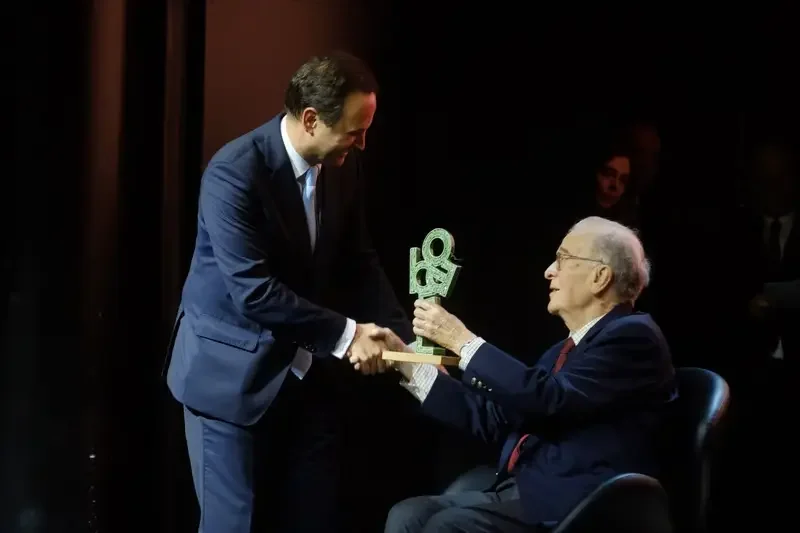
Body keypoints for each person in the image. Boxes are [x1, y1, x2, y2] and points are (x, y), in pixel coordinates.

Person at [163, 52, 413, 533]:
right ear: (312, 119)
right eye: (355, 131)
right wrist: (349, 336)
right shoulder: (234, 172)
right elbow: (254, 293)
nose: (363, 143)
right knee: (233, 526)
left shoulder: (343, 167)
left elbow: (359, 263)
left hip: (303, 376)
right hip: (227, 379)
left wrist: (405, 342)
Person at [375, 216, 677, 532]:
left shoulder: (633, 337)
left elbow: (549, 399)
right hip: (524, 491)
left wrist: (462, 341)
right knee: (408, 514)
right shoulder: (564, 350)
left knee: (449, 526)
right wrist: (409, 364)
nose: (549, 271)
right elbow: (495, 418)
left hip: (578, 506)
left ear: (600, 277)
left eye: (563, 259)